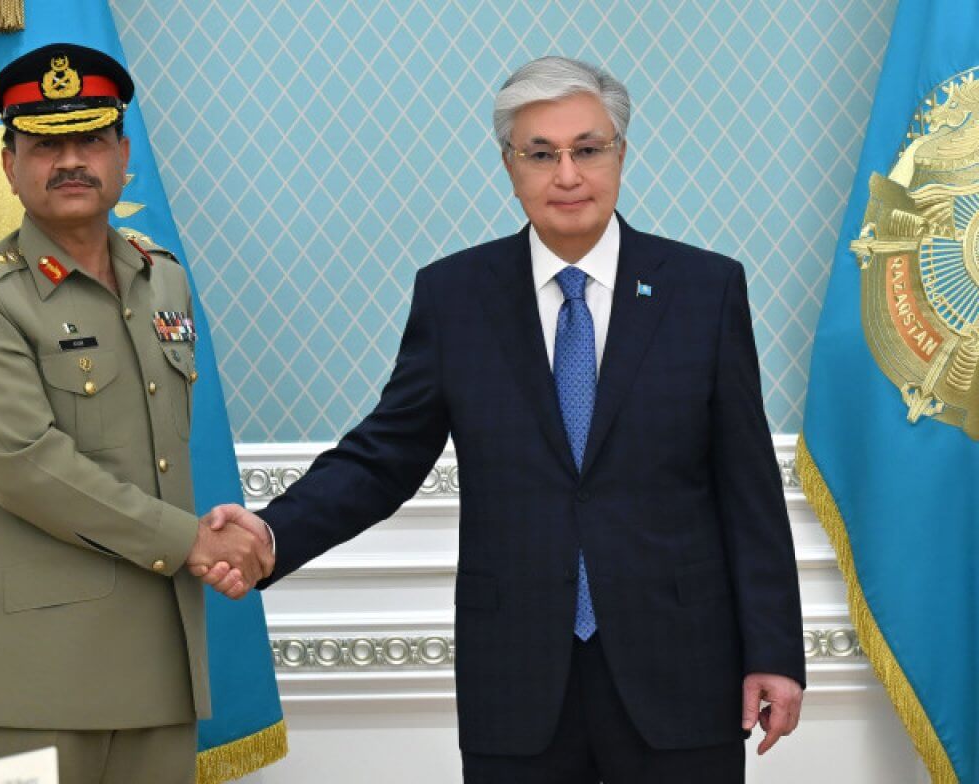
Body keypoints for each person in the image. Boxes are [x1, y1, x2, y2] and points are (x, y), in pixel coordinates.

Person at [200, 56, 805, 783]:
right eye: (541, 155)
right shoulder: (456, 296)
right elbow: (384, 456)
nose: (568, 175)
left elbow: (747, 488)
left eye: (588, 149)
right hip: (518, 673)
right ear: (509, 167)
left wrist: (774, 650)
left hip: (681, 665)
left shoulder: (704, 289)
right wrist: (272, 535)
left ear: (620, 154)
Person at [0, 42, 272, 784]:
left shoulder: (162, 280)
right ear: (10, 166)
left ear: (122, 155)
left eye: (90, 139)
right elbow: (27, 467)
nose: (71, 162)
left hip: (157, 668)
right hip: (28, 680)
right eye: (46, 146)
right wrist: (193, 541)